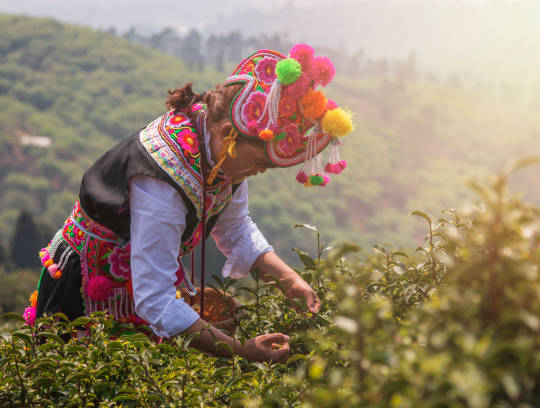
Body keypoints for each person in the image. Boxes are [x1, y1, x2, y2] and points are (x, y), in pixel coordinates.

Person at [23, 44, 354, 364]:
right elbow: (155, 297)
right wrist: (241, 352)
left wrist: (290, 280)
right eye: (258, 163)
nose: (258, 173)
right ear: (228, 132)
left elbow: (236, 229)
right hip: (88, 283)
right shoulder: (162, 175)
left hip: (139, 285)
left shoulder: (220, 153)